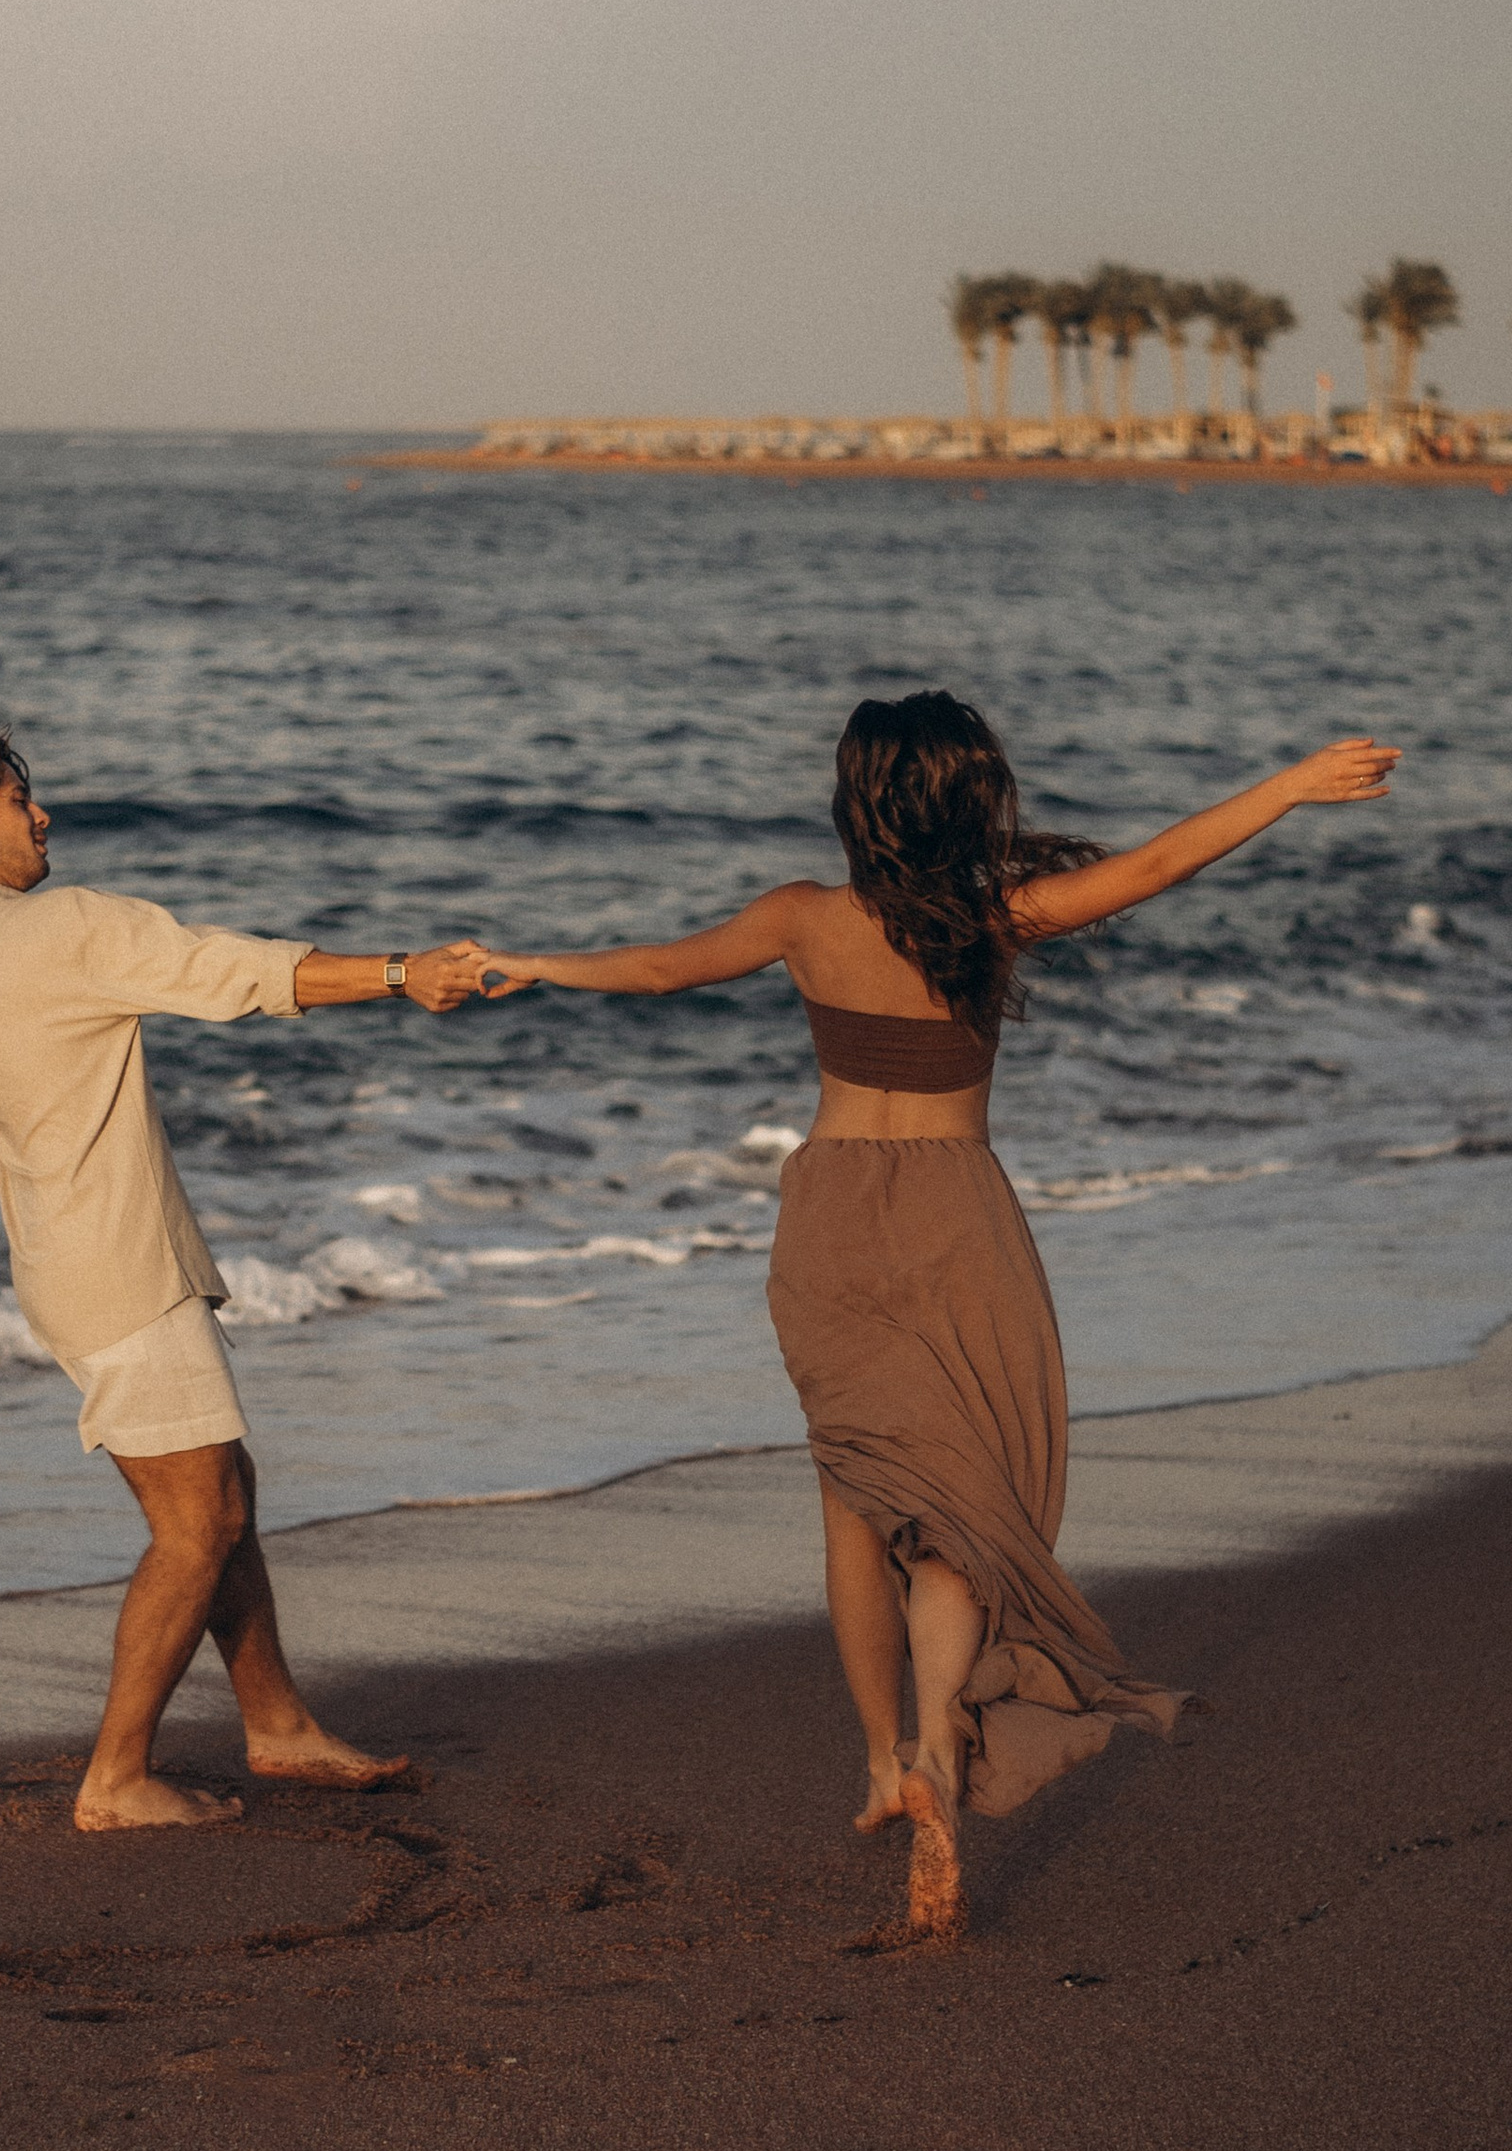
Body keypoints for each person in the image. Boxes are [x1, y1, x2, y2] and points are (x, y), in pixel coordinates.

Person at [482, 694, 1399, 1939]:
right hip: (960, 1224)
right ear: (974, 801)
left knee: (857, 1501)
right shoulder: (995, 916)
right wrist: (1289, 783)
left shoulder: (799, 919)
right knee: (960, 1522)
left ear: (856, 801)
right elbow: (1159, 861)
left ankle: (882, 1763)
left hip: (834, 1226)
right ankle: (933, 1755)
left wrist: (529, 963)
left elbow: (653, 970)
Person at [0, 710, 492, 1833]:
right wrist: (399, 972)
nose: (42, 815)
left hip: (64, 1268)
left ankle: (275, 1724)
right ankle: (115, 1779)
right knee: (196, 1526)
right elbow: (231, 972)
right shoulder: (61, 927)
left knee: (224, 1498)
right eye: (19, 799)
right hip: (123, 1270)